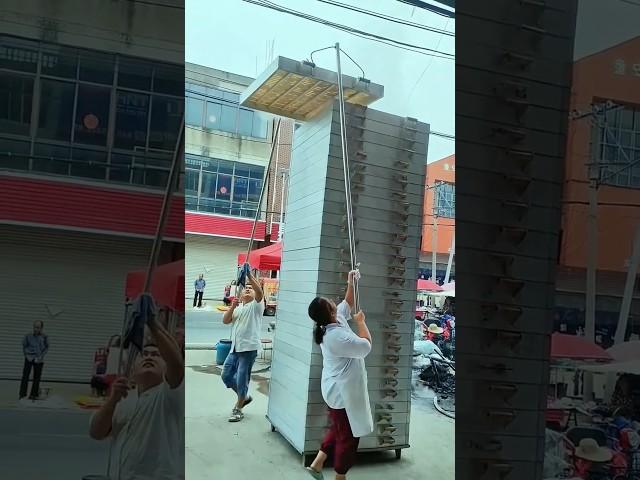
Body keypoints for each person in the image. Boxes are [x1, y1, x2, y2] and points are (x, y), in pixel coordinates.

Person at [89, 306, 184, 480]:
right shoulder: (123, 399)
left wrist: (151, 323)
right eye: (144, 354)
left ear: (165, 367)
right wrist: (112, 400)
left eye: (156, 355)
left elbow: (176, 365)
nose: (149, 356)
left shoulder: (170, 395)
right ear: (132, 368)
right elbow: (96, 433)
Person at [306, 270, 373, 480]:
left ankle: (317, 464)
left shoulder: (335, 321)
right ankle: (340, 475)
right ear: (329, 311)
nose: (334, 302)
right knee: (349, 437)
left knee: (339, 428)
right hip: (342, 394)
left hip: (337, 390)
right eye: (329, 302)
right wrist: (361, 322)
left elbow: (347, 302)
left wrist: (351, 282)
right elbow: (366, 346)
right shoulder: (335, 337)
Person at [221, 266, 264, 422]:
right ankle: (243, 396)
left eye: (250, 289)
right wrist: (232, 306)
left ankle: (238, 408)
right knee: (226, 376)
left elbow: (259, 293)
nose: (248, 290)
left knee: (241, 379)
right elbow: (225, 321)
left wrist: (250, 276)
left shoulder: (256, 306)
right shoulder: (238, 308)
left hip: (248, 349)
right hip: (235, 349)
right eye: (245, 289)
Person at [20, 320, 49, 400]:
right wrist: (26, 355)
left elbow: (47, 347)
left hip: (39, 359)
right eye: (34, 327)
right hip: (29, 358)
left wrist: (41, 356)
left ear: (41, 328)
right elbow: (24, 346)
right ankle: (22, 395)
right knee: (25, 376)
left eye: (38, 327)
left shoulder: (45, 337)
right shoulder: (28, 336)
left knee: (37, 378)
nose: (36, 329)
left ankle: (33, 395)